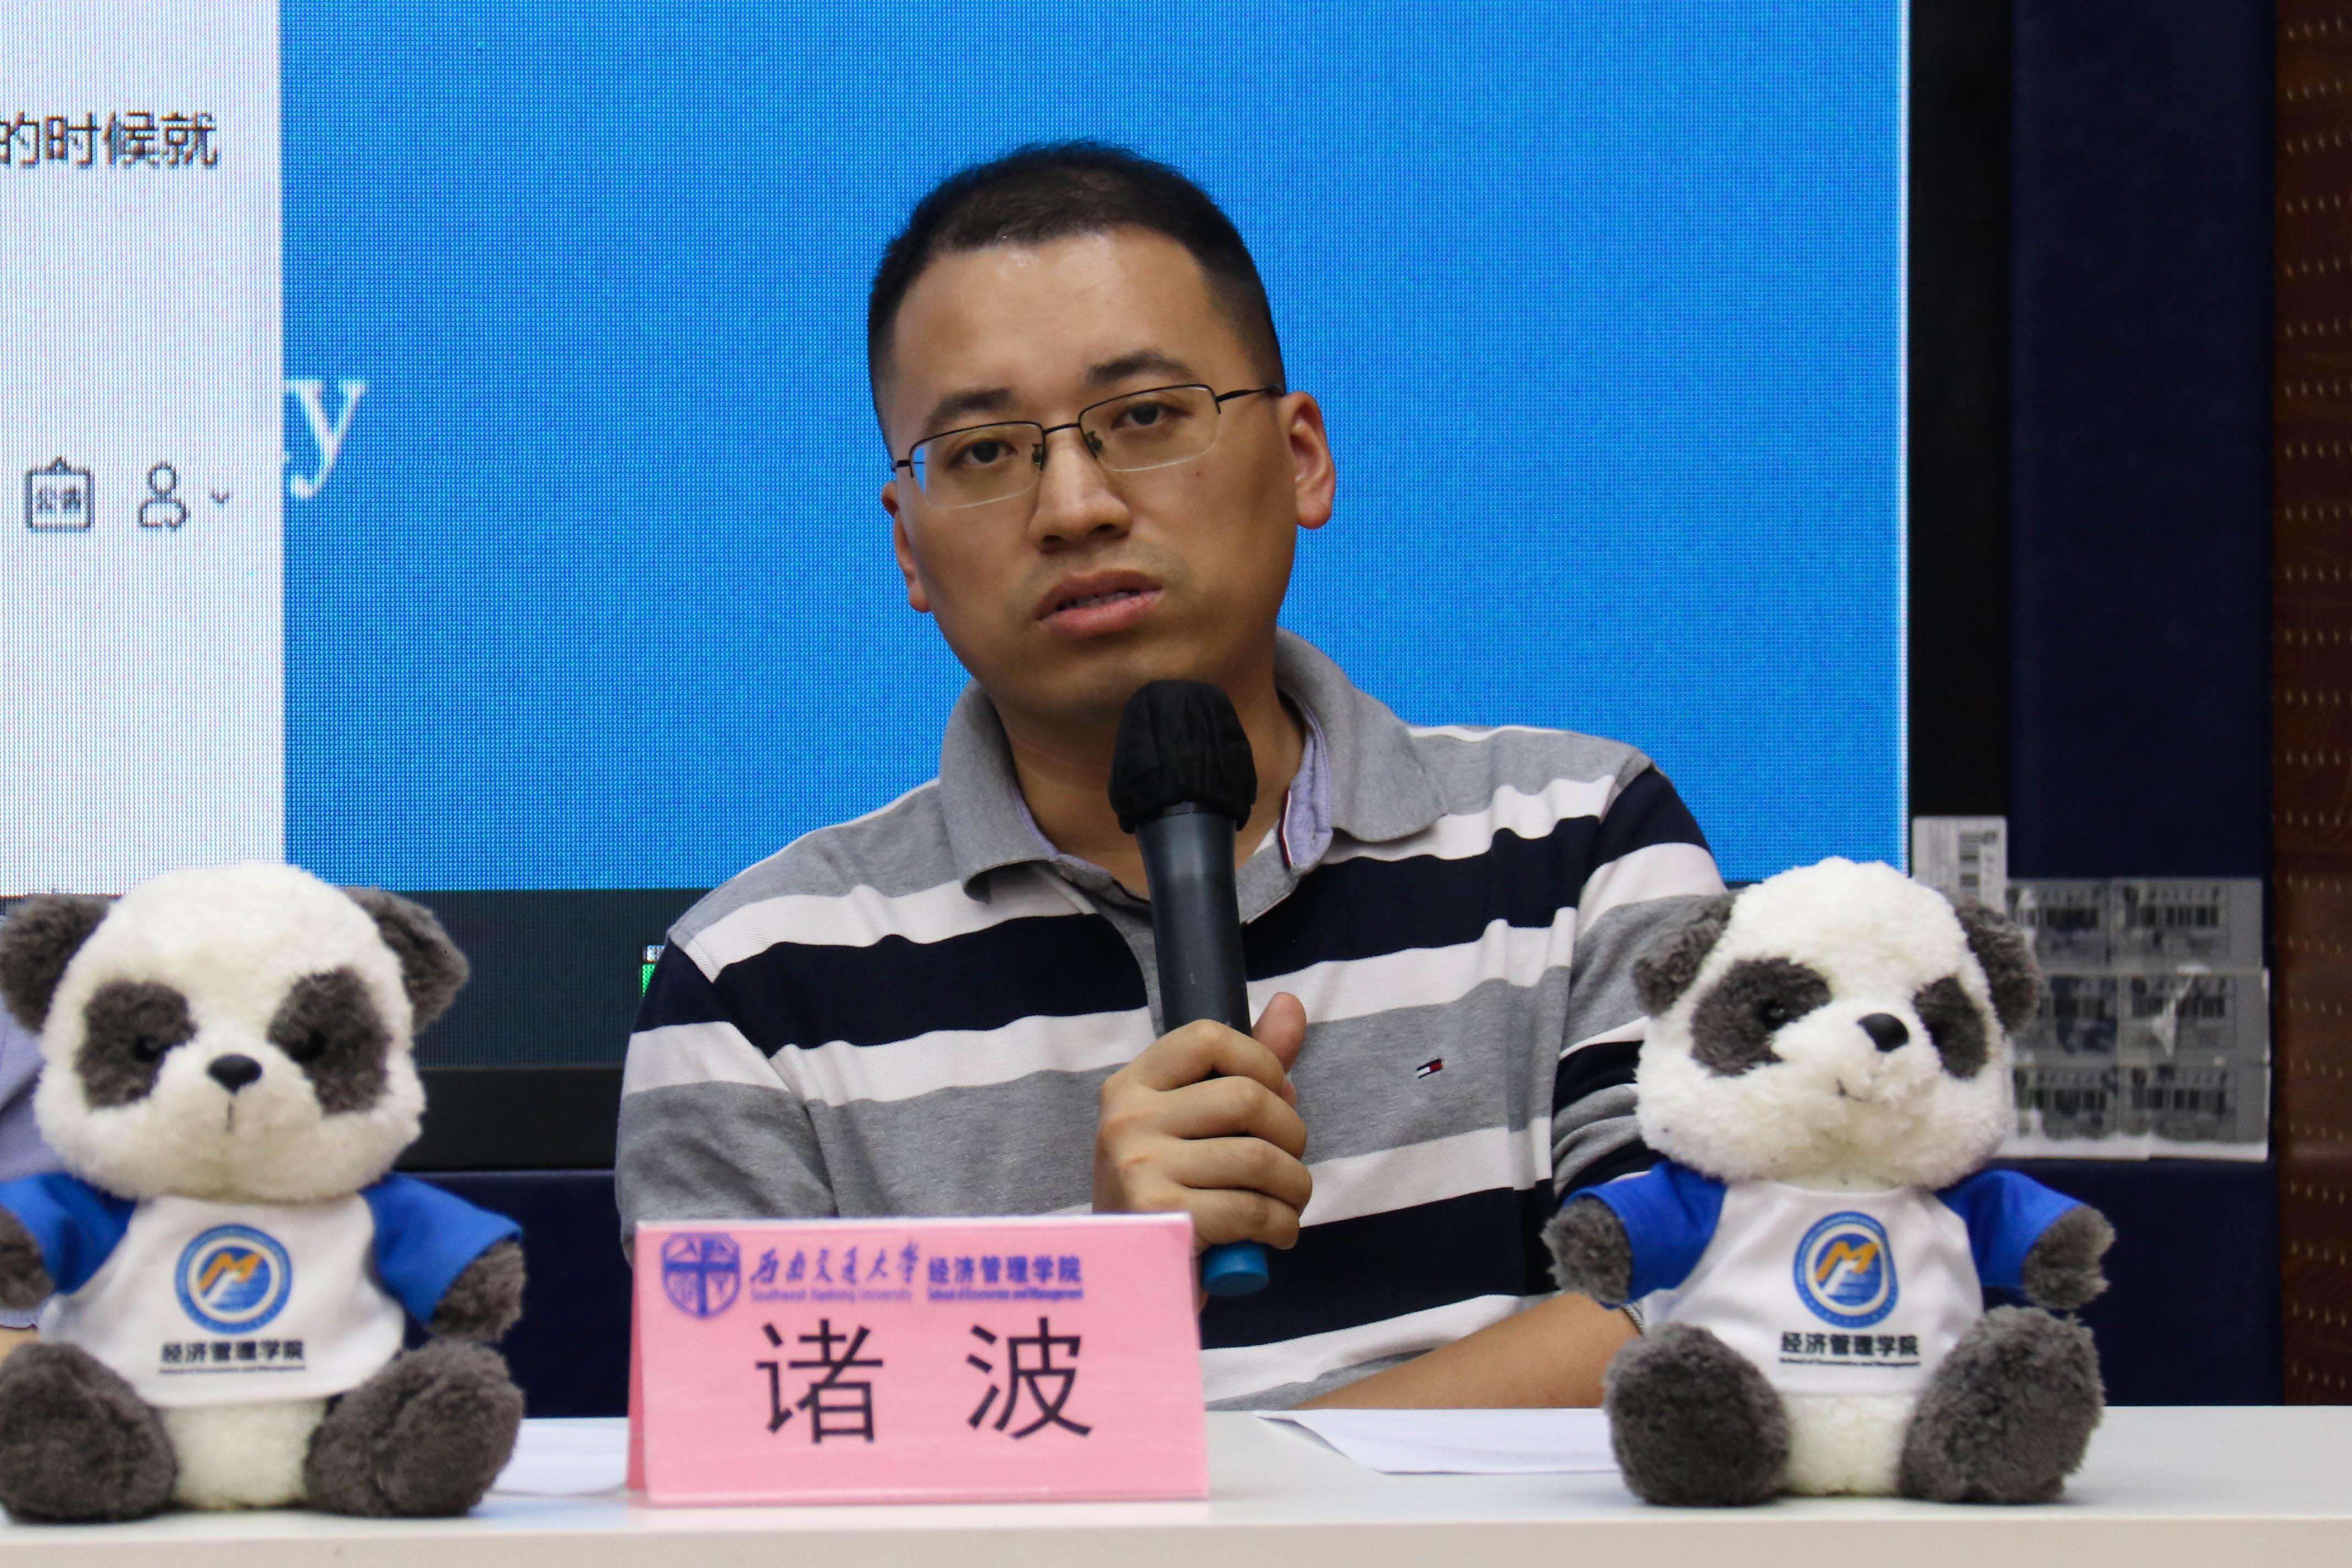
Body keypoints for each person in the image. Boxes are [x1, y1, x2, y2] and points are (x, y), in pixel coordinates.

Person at [617, 142, 1725, 1409]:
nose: (1074, 505)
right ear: (909, 547)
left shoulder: (1582, 845)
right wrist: (1096, 1298)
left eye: (1144, 417)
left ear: (1300, 457)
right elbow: (740, 1438)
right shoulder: (752, 987)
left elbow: (1720, 1311)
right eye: (982, 451)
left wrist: (1261, 1484)